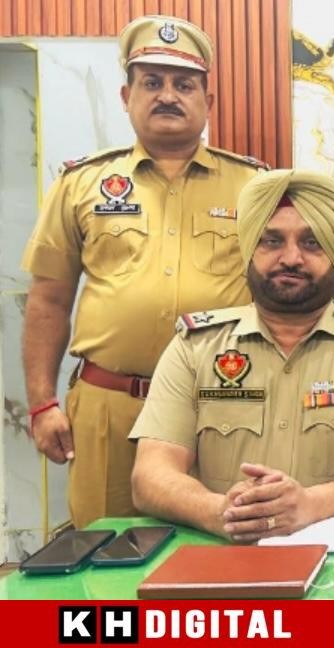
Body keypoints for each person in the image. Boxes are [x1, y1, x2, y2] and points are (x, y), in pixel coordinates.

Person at [21, 15, 268, 528]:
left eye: (184, 85)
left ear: (208, 102)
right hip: (111, 406)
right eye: (152, 82)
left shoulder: (254, 187)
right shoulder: (82, 183)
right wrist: (42, 404)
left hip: (222, 404)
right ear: (125, 95)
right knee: (106, 545)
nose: (168, 96)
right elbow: (47, 300)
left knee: (226, 542)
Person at [130, 170, 334, 542]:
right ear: (250, 249)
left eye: (312, 243)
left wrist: (312, 506)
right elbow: (150, 475)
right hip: (228, 552)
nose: (291, 258)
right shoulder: (195, 345)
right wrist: (222, 513)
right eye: (271, 241)